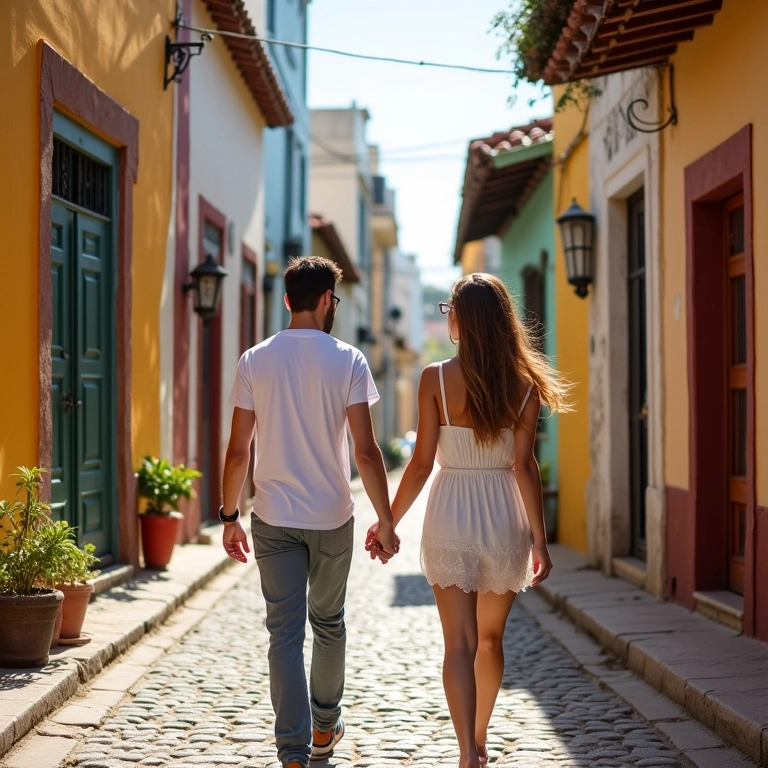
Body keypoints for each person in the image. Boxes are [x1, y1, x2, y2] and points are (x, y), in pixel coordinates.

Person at [366, 273, 570, 768]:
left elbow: (420, 464)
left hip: (451, 511)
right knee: (490, 640)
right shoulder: (525, 385)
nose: (447, 317)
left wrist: (388, 521)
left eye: (448, 309)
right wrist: (540, 542)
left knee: (457, 643)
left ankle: (465, 753)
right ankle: (480, 739)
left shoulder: (434, 378)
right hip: (503, 515)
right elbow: (524, 466)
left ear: (461, 318)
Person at [220, 256, 398, 768]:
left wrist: (230, 517)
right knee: (329, 623)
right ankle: (324, 728)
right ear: (325, 300)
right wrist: (386, 520)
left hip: (273, 517)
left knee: (284, 632)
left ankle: (292, 751)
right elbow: (366, 452)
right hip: (332, 518)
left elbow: (239, 451)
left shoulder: (254, 359)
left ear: (286, 300)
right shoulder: (349, 360)